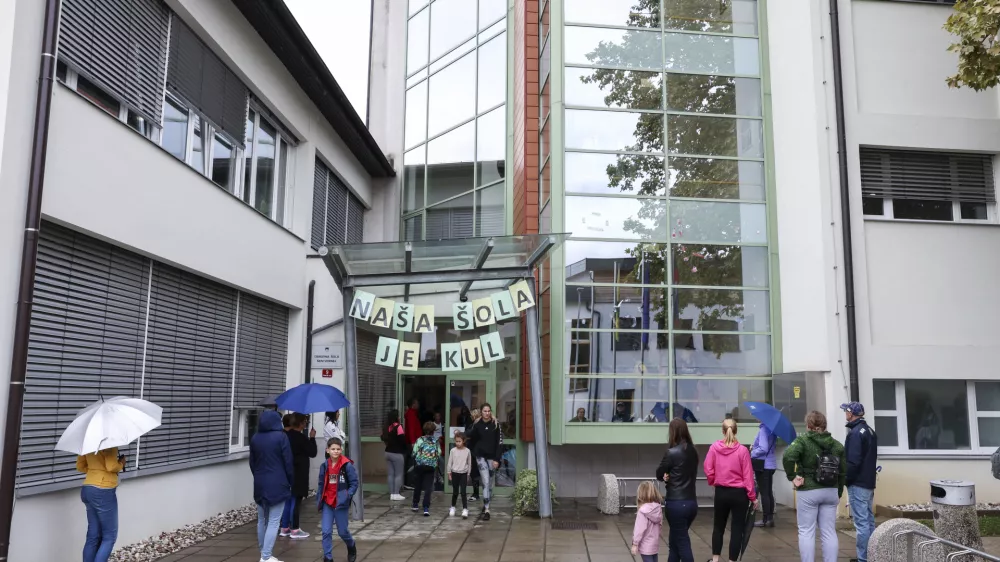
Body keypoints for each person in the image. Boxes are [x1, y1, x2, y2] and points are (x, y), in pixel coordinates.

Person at [782, 411, 846, 562]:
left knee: (806, 531)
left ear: (808, 425)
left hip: (809, 490)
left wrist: (792, 476)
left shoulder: (802, 441)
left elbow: (788, 456)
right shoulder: (837, 445)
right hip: (831, 490)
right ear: (824, 425)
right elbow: (843, 472)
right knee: (829, 532)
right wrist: (839, 491)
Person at [704, 418, 757, 562]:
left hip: (721, 492)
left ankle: (715, 559)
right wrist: (752, 497)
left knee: (718, 526)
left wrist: (713, 482)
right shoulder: (743, 451)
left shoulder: (714, 448)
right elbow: (748, 477)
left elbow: (708, 469)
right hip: (740, 494)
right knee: (737, 529)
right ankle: (732, 560)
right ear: (736, 430)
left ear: (722, 431)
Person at [249, 409, 294, 562]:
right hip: (278, 483)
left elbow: (252, 463)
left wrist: (259, 476)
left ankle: (264, 553)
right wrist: (290, 481)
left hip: (260, 483)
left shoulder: (255, 438)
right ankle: (266, 557)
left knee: (262, 520)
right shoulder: (281, 437)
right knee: (274, 521)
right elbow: (288, 462)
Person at [655, 418, 699, 562]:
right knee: (675, 542)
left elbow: (659, 473)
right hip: (691, 503)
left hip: (676, 504)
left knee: (682, 543)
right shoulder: (694, 451)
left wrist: (665, 476)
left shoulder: (671, 453)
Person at [841, 402, 877, 562]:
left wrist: (846, 479)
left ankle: (863, 558)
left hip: (858, 483)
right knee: (869, 521)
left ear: (850, 413)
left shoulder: (855, 433)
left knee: (862, 523)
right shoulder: (869, 430)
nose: (845, 414)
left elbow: (853, 462)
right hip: (868, 482)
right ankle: (872, 555)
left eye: (845, 411)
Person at [77, 447, 125, 562]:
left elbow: (80, 466)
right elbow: (111, 466)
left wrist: (95, 471)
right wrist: (121, 463)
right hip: (103, 490)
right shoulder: (109, 442)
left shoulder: (89, 442)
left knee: (93, 535)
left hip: (87, 488)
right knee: (109, 536)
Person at [317, 438, 358, 562]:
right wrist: (319, 498)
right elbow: (320, 483)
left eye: (338, 449)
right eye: (333, 449)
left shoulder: (347, 465)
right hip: (327, 503)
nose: (335, 451)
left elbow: (354, 483)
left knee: (343, 531)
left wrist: (347, 494)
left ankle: (351, 545)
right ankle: (328, 557)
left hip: (340, 503)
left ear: (341, 450)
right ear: (327, 450)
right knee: (326, 532)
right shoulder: (324, 466)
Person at [282, 413, 317, 539]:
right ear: (301, 423)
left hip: (287, 471)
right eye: (305, 422)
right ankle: (295, 529)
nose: (306, 424)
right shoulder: (301, 438)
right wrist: (312, 438)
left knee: (287, 500)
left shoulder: (285, 436)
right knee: (296, 501)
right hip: (299, 472)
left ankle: (284, 527)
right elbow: (312, 452)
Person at [466, 403, 504, 521]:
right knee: (486, 482)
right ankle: (487, 510)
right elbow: (470, 435)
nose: (487, 413)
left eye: (488, 411)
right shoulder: (477, 424)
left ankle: (486, 503)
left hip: (492, 457)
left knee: (490, 484)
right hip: (480, 456)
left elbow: (500, 443)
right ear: (481, 412)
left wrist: (497, 459)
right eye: (484, 411)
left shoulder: (496, 424)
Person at [750, 421, 778, 528]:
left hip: (763, 465)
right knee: (768, 492)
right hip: (770, 465)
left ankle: (765, 519)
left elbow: (763, 448)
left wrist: (752, 451)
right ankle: (769, 519)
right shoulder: (773, 431)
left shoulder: (763, 429)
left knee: (764, 493)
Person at [411, 421, 440, 516]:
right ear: (433, 431)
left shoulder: (420, 440)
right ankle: (426, 507)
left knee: (418, 485)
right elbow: (439, 453)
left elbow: (414, 452)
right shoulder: (435, 441)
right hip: (430, 467)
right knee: (428, 488)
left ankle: (415, 504)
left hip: (419, 466)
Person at [631, 481, 664, 562]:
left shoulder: (642, 511)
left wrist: (635, 544)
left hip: (645, 545)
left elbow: (639, 529)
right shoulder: (658, 508)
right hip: (654, 544)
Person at [382, 409, 408, 501]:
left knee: (390, 474)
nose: (400, 417)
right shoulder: (398, 427)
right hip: (397, 454)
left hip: (387, 453)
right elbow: (402, 440)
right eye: (398, 416)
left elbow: (383, 438)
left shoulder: (387, 427)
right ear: (396, 417)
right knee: (398, 474)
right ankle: (396, 493)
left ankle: (392, 494)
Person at [447, 431, 472, 519]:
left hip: (463, 473)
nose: (457, 443)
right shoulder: (453, 451)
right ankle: (453, 507)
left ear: (463, 441)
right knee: (455, 492)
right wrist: (449, 472)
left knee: (463, 492)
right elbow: (450, 462)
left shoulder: (467, 451)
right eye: (456, 441)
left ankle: (465, 509)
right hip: (454, 473)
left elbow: (469, 463)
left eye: (459, 441)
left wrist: (468, 473)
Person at [466, 408, 482, 501]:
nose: (471, 417)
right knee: (474, 473)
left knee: (475, 473)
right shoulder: (474, 425)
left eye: (472, 415)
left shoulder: (476, 426)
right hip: (473, 451)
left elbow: (469, 434)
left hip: (475, 452)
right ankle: (476, 493)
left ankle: (476, 494)